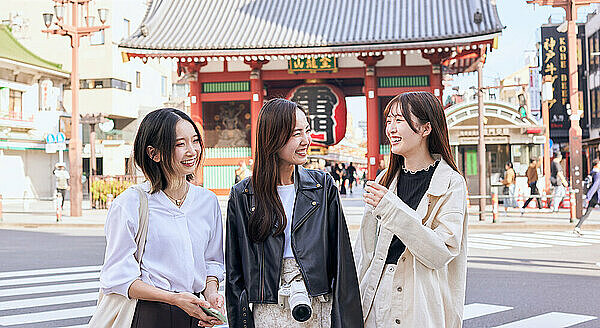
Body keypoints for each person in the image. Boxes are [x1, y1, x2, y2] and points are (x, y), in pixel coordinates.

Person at [226, 98, 363, 328]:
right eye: (296, 134)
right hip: (268, 309)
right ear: (272, 137)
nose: (306, 141)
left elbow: (342, 263)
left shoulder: (322, 187)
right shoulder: (243, 195)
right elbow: (234, 273)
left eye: (307, 131)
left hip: (316, 302)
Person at [99, 108, 225, 328]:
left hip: (195, 313)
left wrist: (212, 293)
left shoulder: (208, 201)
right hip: (148, 314)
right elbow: (118, 277)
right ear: (154, 153)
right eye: (179, 144)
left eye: (195, 141)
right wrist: (174, 299)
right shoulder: (130, 204)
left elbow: (212, 261)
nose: (192, 151)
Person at [356, 91, 468, 328]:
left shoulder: (451, 182)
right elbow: (364, 253)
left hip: (420, 301)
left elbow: (441, 252)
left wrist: (391, 209)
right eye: (388, 121)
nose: (391, 129)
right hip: (376, 298)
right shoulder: (384, 180)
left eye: (399, 120)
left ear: (426, 129)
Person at [574, 158, 600, 235]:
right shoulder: (598, 174)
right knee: (587, 213)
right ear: (597, 164)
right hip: (597, 196)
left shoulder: (591, 173)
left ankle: (577, 227)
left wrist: (588, 197)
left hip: (593, 197)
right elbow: (595, 186)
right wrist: (588, 197)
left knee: (587, 213)